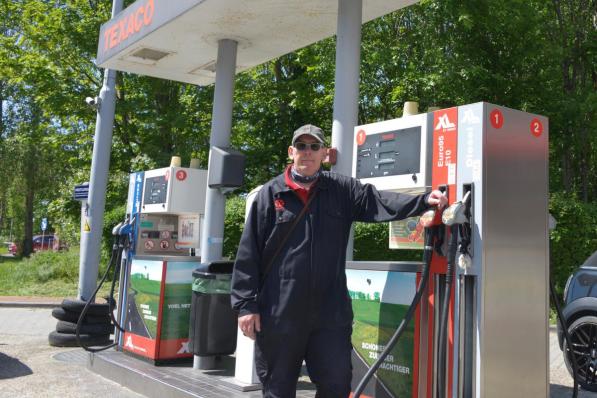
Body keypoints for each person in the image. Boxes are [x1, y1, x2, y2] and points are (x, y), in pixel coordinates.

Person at [231, 124, 447, 398]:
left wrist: (424, 201)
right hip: (279, 312)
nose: (307, 152)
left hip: (329, 314)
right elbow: (249, 252)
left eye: (313, 147)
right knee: (277, 388)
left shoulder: (341, 189)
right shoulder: (271, 195)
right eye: (301, 146)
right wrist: (245, 304)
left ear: (324, 153)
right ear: (291, 152)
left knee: (336, 384)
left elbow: (378, 201)